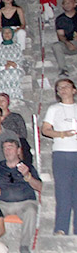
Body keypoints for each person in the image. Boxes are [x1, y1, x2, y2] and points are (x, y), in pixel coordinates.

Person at [41, 78, 77, 234]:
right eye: (59, 88)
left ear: (74, 90)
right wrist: (62, 134)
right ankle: (61, 228)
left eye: (66, 87)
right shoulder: (54, 108)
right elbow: (45, 130)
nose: (63, 90)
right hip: (62, 153)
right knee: (62, 192)